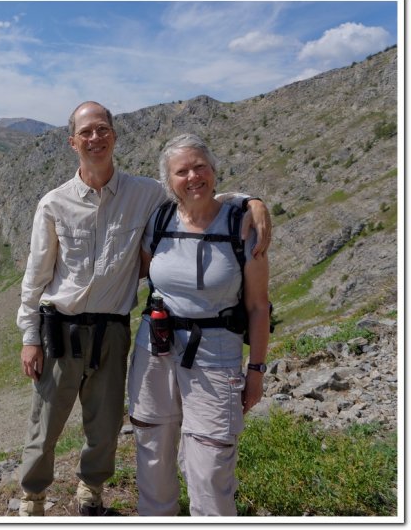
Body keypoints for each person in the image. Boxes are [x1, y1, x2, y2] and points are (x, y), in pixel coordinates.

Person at [16, 102, 271, 517]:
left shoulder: (147, 194)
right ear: (73, 142)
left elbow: (195, 195)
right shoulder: (53, 203)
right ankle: (32, 497)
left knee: (106, 425)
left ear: (115, 136)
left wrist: (251, 201)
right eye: (86, 132)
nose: (95, 138)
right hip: (60, 329)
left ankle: (92, 488)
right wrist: (30, 336)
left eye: (103, 129)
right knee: (45, 424)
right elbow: (35, 274)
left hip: (114, 329)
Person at [127, 133, 271, 517]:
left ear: (214, 171)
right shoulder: (159, 221)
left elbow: (258, 307)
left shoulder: (243, 227)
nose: (192, 177)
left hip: (217, 353)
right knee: (152, 447)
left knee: (209, 465)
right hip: (154, 347)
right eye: (181, 171)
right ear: (168, 181)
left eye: (199, 167)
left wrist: (256, 369)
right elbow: (137, 269)